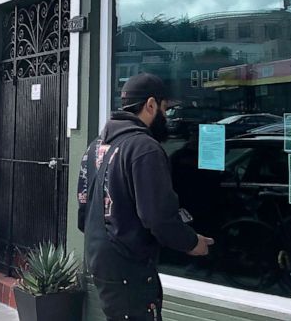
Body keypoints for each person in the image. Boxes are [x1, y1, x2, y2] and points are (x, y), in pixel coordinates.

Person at [78, 73, 213, 321]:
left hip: (101, 261)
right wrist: (191, 243)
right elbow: (158, 217)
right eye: (165, 109)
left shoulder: (95, 146)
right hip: (130, 268)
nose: (168, 118)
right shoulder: (144, 148)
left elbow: (83, 210)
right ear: (151, 105)